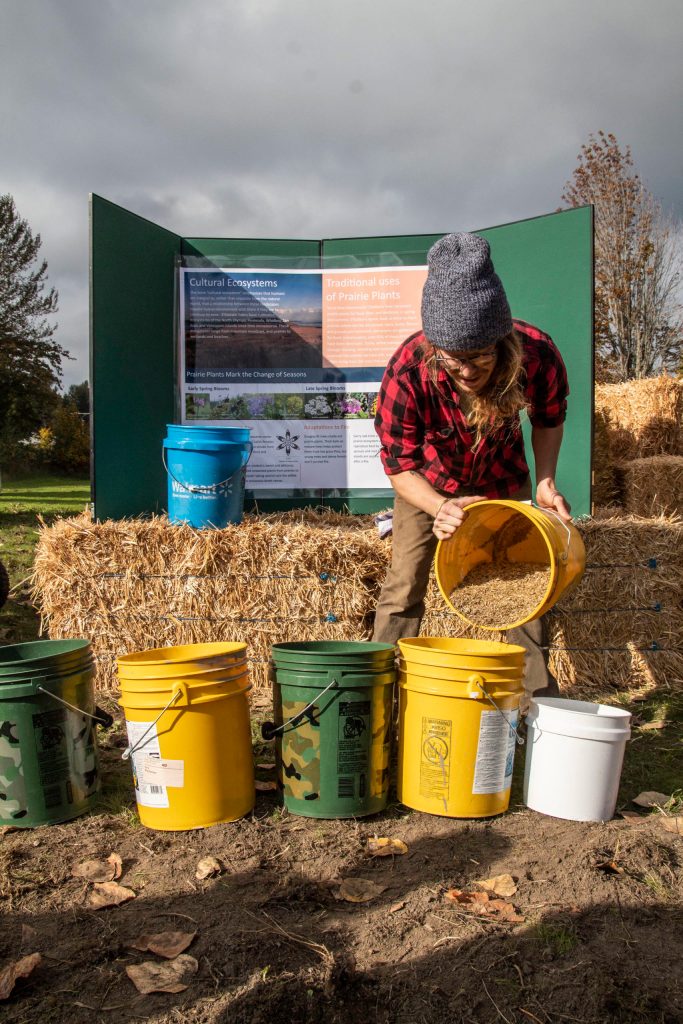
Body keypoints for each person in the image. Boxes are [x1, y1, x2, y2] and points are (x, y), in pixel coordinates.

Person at [372, 231, 572, 700]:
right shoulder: (407, 370)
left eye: (480, 354)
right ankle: (375, 697)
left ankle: (536, 703)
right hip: (428, 485)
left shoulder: (537, 353)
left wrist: (544, 481)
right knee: (404, 584)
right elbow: (399, 464)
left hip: (503, 482)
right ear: (433, 347)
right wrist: (439, 506)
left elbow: (549, 417)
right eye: (453, 358)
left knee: (523, 583)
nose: (466, 370)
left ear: (501, 340)